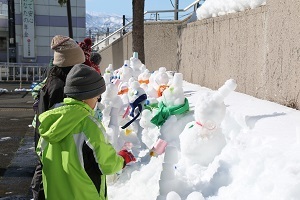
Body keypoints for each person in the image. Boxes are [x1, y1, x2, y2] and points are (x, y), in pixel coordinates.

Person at [36, 64, 136, 200]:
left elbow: (41, 154)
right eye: (96, 97)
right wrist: (122, 160)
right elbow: (106, 163)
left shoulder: (51, 121)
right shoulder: (89, 125)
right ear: (85, 96)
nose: (98, 102)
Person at [31, 35, 85, 200]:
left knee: (45, 168)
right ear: (70, 65)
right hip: (49, 138)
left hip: (44, 135)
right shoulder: (59, 87)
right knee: (46, 170)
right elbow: (59, 122)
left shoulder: (55, 78)